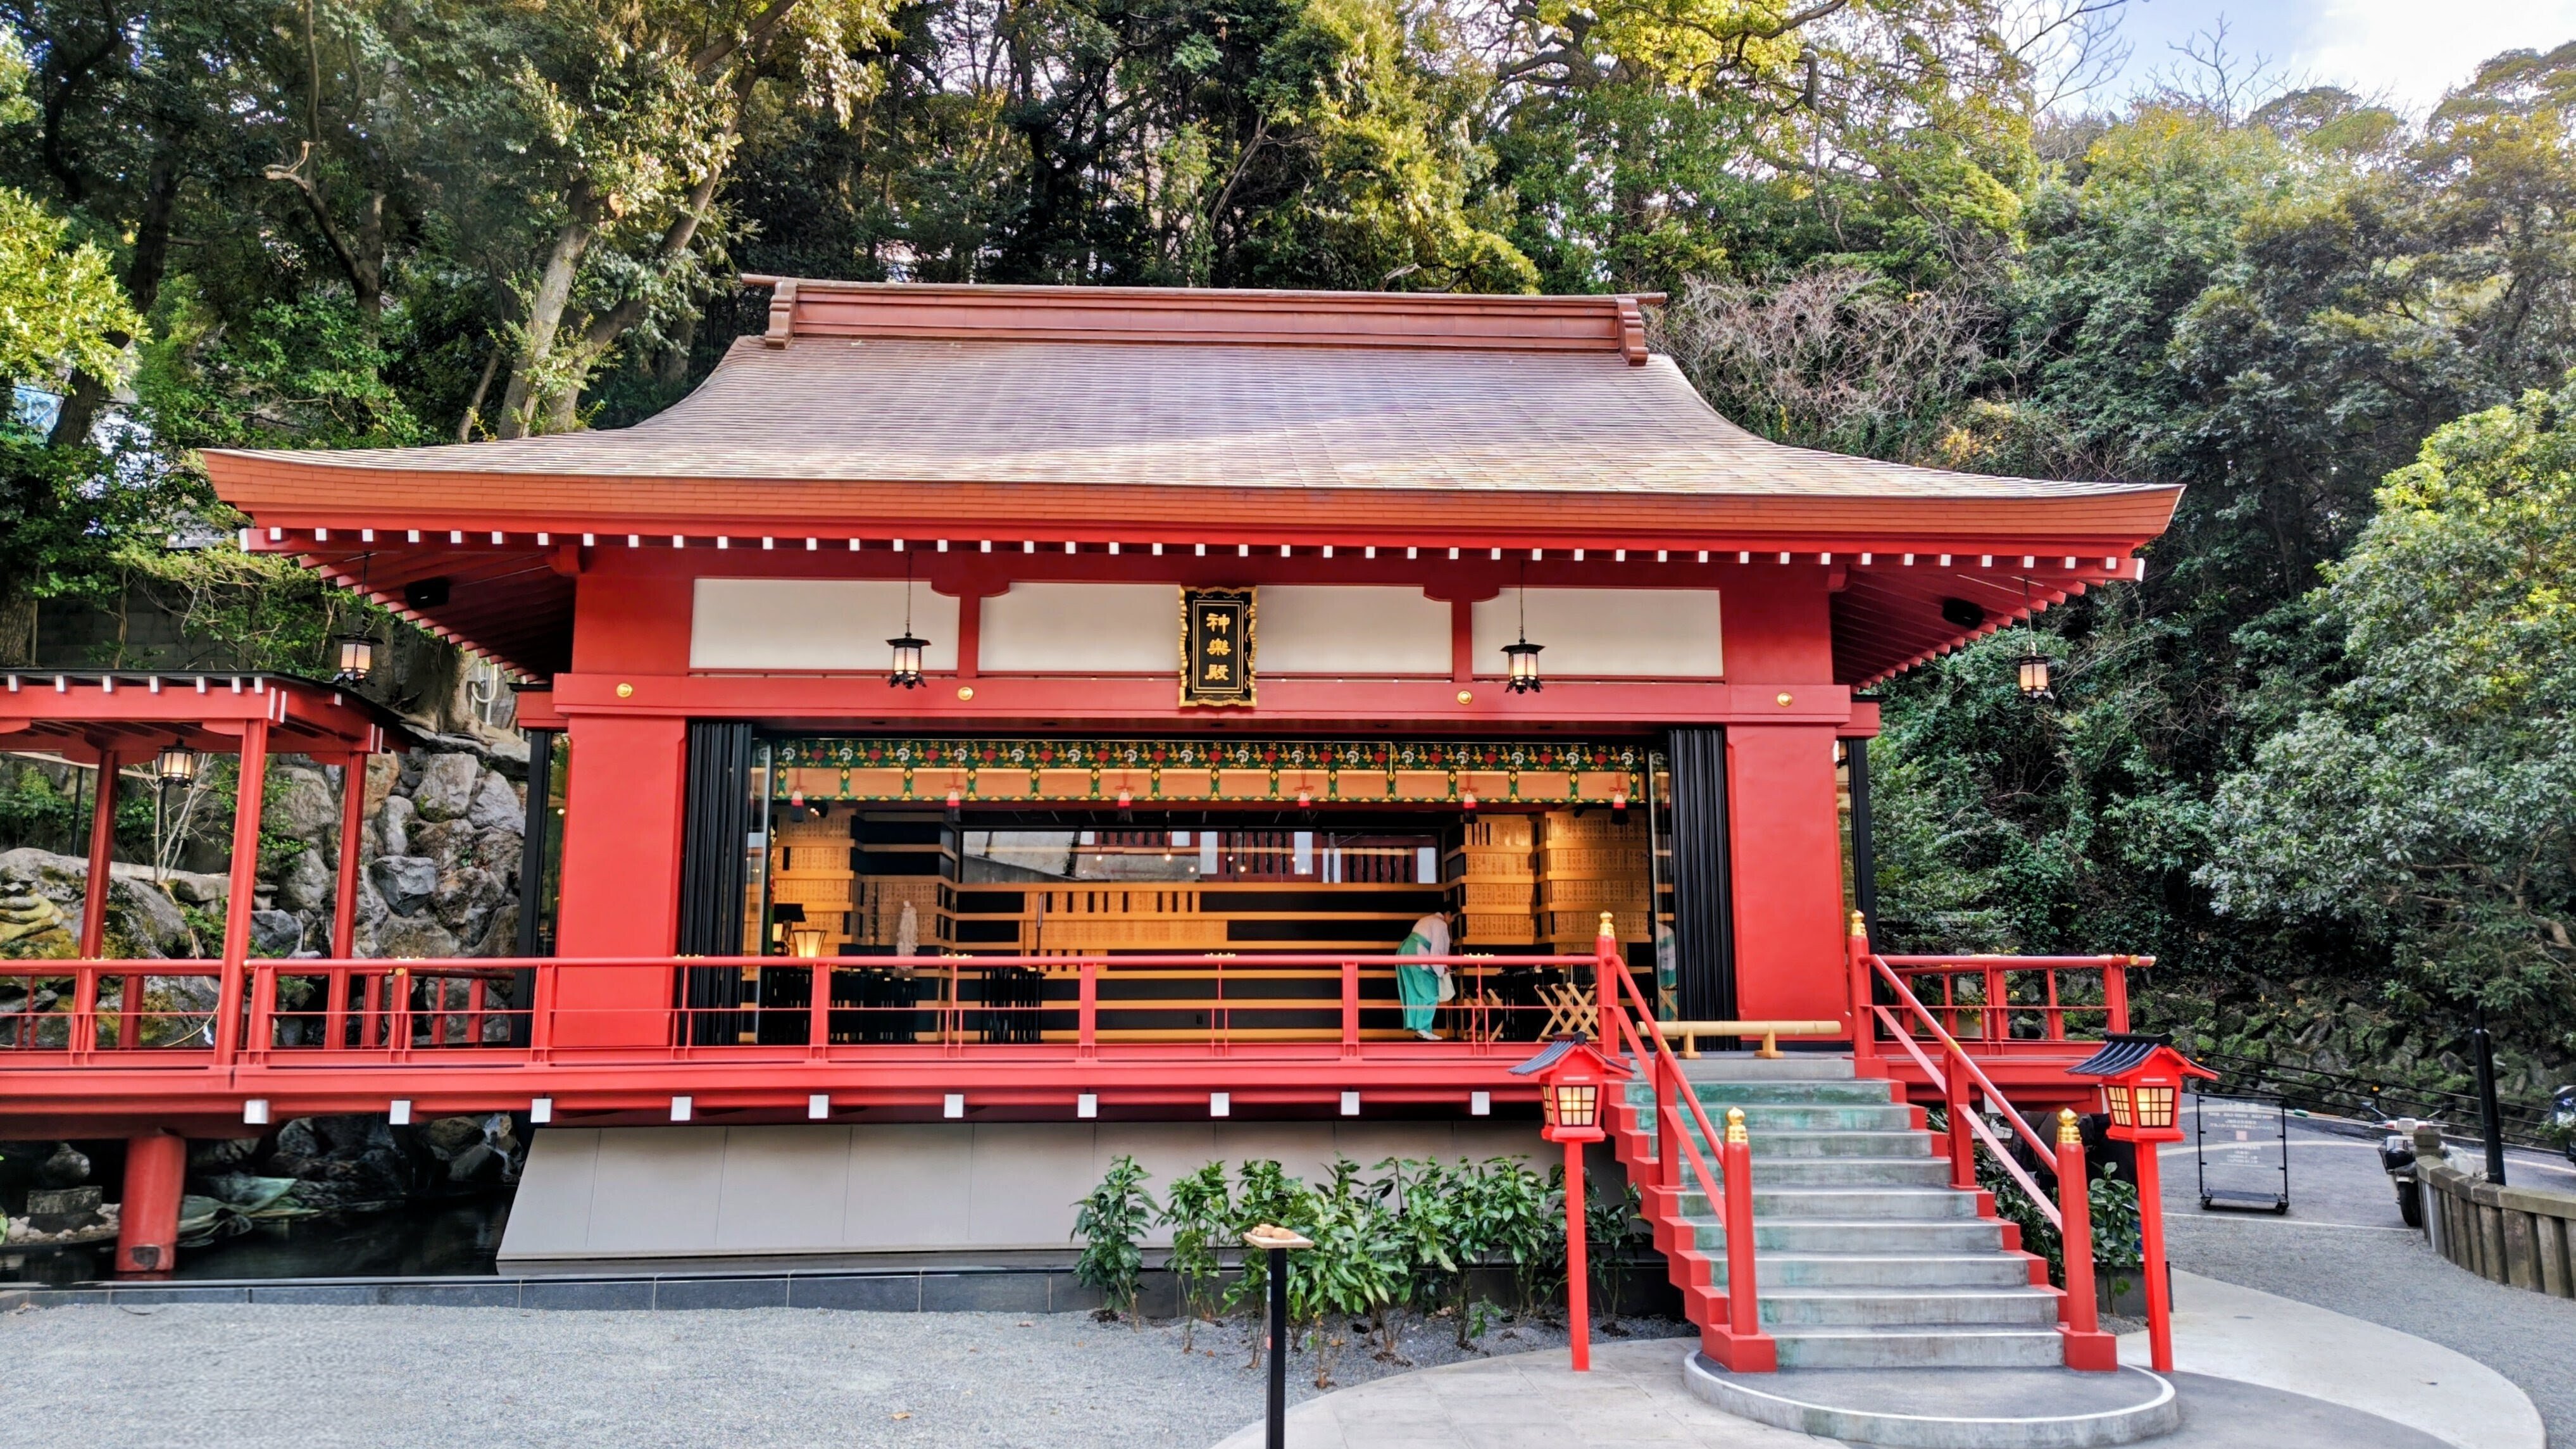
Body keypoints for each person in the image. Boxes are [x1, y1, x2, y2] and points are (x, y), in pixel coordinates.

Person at [1397, 910, 1456, 1040]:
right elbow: (1437, 950)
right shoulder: (1440, 924)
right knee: (1430, 992)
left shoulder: (1427, 920)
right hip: (1419, 953)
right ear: (1448, 914)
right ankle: (1423, 1028)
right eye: (1453, 918)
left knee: (1414, 991)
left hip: (1406, 950)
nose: (1452, 921)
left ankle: (1422, 1028)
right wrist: (1442, 969)